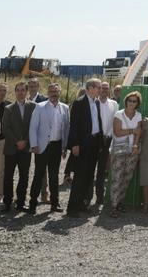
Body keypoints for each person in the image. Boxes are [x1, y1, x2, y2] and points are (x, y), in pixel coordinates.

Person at [28, 83, 70, 213]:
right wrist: (34, 144)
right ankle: (32, 204)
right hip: (42, 146)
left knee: (54, 176)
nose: (53, 93)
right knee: (38, 175)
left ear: (59, 92)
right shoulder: (40, 107)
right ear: (47, 92)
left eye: (56, 91)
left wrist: (64, 148)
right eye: (51, 91)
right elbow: (33, 127)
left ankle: (55, 203)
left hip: (57, 146)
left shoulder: (65, 108)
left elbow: (66, 129)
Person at [66, 78, 104, 217]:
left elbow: (97, 123)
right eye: (98, 87)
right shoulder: (79, 103)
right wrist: (74, 144)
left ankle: (82, 204)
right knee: (80, 177)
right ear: (90, 88)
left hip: (94, 144)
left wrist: (100, 143)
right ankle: (72, 208)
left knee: (88, 177)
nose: (100, 90)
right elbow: (74, 125)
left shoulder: (96, 102)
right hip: (82, 145)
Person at [2, 81, 35, 212]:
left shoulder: (33, 107)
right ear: (15, 92)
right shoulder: (8, 108)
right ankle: (7, 202)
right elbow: (6, 128)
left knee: (24, 176)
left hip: (26, 148)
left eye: (23, 90)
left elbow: (34, 126)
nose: (20, 92)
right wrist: (17, 141)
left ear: (26, 92)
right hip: (11, 147)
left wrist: (25, 141)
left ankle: (21, 202)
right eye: (18, 90)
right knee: (8, 176)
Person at [109, 91, 142, 217]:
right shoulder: (119, 114)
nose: (131, 103)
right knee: (117, 178)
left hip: (132, 150)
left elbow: (139, 133)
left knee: (127, 178)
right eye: (129, 100)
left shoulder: (138, 115)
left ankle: (120, 202)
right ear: (126, 101)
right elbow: (117, 132)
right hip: (119, 149)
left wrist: (135, 145)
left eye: (134, 101)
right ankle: (113, 206)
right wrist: (132, 130)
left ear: (137, 103)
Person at [93, 81, 118, 205]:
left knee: (102, 170)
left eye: (106, 88)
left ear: (109, 90)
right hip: (94, 141)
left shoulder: (114, 104)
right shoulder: (93, 103)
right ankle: (87, 197)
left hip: (107, 140)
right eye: (102, 88)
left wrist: (110, 138)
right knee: (90, 170)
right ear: (99, 89)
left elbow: (115, 122)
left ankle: (99, 197)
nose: (104, 90)